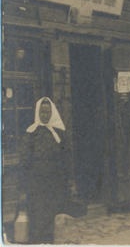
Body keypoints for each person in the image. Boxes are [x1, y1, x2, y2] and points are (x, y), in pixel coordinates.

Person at [19, 97, 72, 243]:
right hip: (35, 182)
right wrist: (23, 187)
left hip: (54, 182)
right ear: (38, 112)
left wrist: (67, 181)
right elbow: (24, 161)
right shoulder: (31, 133)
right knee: (37, 215)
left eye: (47, 112)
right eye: (42, 112)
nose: (44, 115)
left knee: (52, 215)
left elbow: (66, 157)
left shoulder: (59, 133)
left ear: (52, 113)